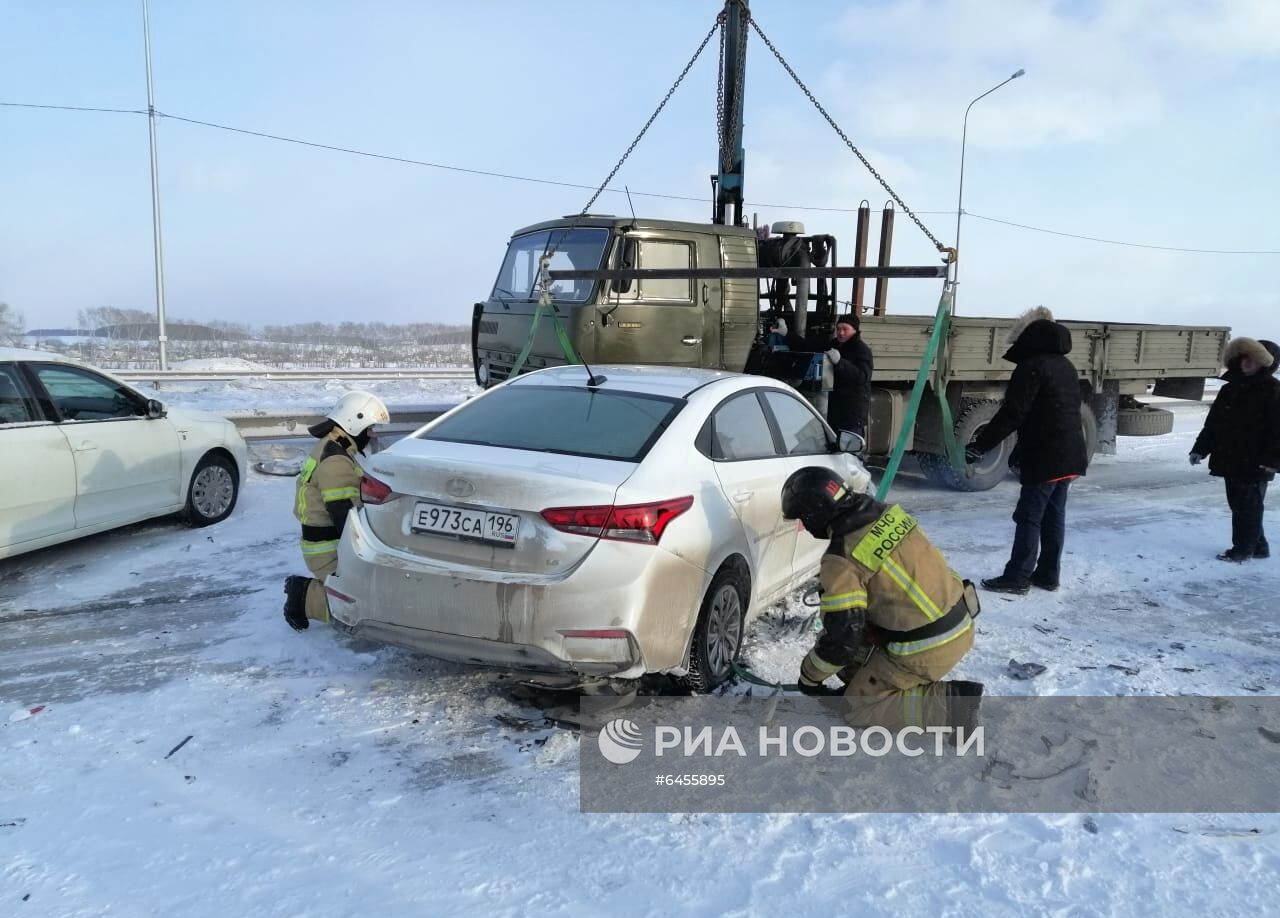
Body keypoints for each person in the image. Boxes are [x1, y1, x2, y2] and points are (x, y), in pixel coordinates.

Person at [781, 466, 983, 731]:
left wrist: (809, 677)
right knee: (854, 659)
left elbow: (842, 639)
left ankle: (951, 707)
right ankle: (873, 682)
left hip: (927, 647)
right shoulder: (888, 514)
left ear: (815, 514)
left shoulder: (840, 559)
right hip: (960, 620)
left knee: (858, 710)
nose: (805, 527)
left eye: (803, 520)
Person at [966, 306, 1088, 595]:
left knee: (1029, 516)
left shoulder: (1032, 366)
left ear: (1029, 337)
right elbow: (1047, 413)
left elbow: (1014, 413)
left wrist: (980, 446)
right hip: (1069, 453)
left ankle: (1018, 576)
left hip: (1047, 455)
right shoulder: (1065, 365)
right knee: (1053, 515)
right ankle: (1047, 574)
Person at [283, 390, 390, 631]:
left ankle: (310, 592)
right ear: (355, 423)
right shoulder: (336, 461)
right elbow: (343, 514)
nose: (371, 434)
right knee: (359, 607)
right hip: (328, 548)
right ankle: (304, 597)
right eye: (369, 428)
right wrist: (366, 550)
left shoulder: (332, 447)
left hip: (323, 543)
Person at [1190, 337, 1280, 562]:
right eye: (1244, 358)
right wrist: (1200, 449)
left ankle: (1242, 549)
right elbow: (1213, 425)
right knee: (1239, 504)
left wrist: (1272, 460)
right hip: (1230, 457)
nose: (1246, 363)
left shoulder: (1272, 391)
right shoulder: (1230, 390)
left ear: (1265, 363)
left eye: (1253, 359)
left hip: (1256, 460)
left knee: (1247, 507)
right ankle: (1258, 546)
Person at [773, 311, 874, 437]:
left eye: (845, 329)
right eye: (838, 329)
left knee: (849, 451)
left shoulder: (861, 349)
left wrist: (840, 362)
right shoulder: (835, 345)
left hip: (852, 414)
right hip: (836, 410)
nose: (841, 333)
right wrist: (786, 334)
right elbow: (808, 346)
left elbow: (863, 376)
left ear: (855, 330)